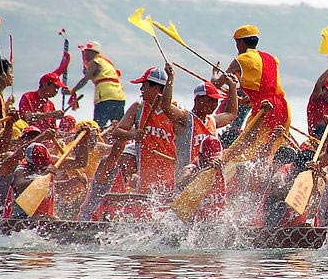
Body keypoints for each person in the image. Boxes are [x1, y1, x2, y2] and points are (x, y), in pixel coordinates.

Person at [110, 65, 187, 195]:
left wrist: (171, 79)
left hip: (170, 172)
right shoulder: (138, 108)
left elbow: (184, 134)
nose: (141, 89)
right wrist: (133, 135)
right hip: (145, 174)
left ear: (156, 88)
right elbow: (116, 133)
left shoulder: (174, 110)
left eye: (144, 85)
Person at [220, 25, 289, 130]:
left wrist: (214, 74)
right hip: (283, 108)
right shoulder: (272, 58)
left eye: (237, 43)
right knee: (272, 144)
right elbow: (268, 86)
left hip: (264, 108)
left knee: (249, 143)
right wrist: (253, 98)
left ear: (241, 43)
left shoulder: (242, 59)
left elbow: (216, 84)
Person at [174, 75, 238, 182]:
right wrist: (171, 77)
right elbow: (166, 106)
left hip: (208, 176)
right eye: (211, 100)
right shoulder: (185, 118)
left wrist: (233, 86)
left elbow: (231, 114)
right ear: (199, 99)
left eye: (216, 101)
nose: (214, 105)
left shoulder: (213, 120)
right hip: (187, 175)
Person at [68, 42, 126, 130]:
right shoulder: (105, 63)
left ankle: (97, 142)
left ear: (94, 53)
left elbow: (85, 79)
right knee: (118, 125)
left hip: (105, 96)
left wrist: (73, 90)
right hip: (119, 96)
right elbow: (95, 74)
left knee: (98, 126)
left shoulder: (95, 61)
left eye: (88, 52)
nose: (86, 54)